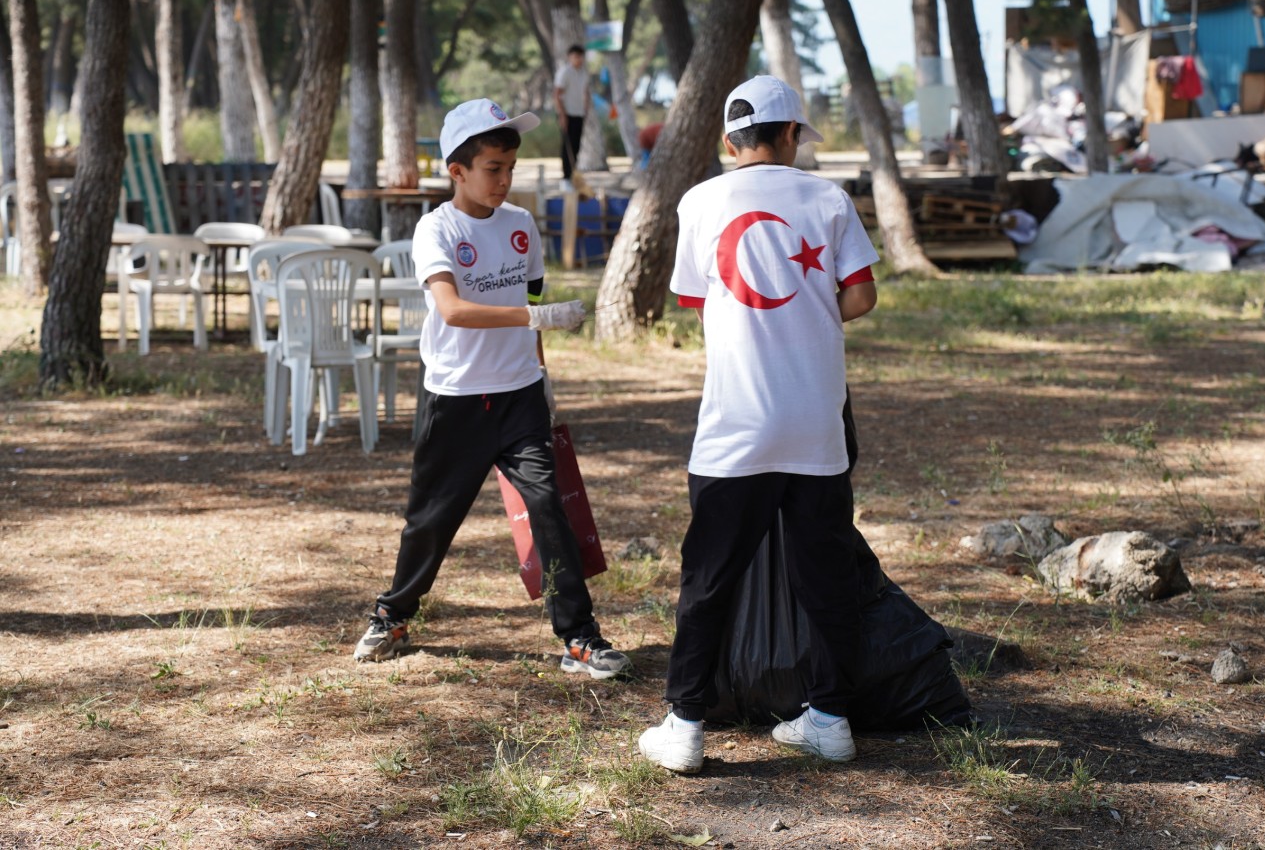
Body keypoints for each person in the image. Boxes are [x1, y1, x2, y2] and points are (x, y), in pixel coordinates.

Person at [638, 76, 879, 773]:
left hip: (735, 425)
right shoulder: (828, 198)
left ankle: (685, 725)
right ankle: (830, 719)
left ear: (727, 141)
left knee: (708, 578)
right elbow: (860, 294)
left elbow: (694, 296)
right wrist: (812, 307)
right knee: (826, 576)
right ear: (793, 136)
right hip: (815, 424)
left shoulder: (701, 200)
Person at [353, 97, 631, 681]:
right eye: (493, 169)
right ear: (457, 171)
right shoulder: (437, 228)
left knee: (548, 509)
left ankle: (579, 638)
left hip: (520, 396)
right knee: (431, 519)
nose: (505, 181)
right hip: (455, 399)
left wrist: (542, 373)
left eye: (510, 168)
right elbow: (452, 310)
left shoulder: (523, 227)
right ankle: (394, 614)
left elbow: (528, 302)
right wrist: (536, 321)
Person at [553, 44, 589, 190]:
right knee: (567, 146)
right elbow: (557, 94)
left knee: (576, 146)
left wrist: (586, 109)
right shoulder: (565, 72)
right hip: (566, 113)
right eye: (575, 56)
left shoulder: (583, 73)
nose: (578, 59)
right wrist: (562, 115)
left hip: (578, 113)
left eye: (580, 56)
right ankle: (565, 179)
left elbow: (585, 92)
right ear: (570, 57)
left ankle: (573, 176)